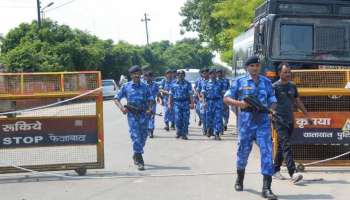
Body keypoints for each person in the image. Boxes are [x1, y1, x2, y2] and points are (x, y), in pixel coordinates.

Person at [224, 55, 278, 200]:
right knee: (243, 152)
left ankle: (267, 188)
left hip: (262, 122)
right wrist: (240, 104)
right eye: (252, 66)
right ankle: (239, 178)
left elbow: (272, 99)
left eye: (257, 66)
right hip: (246, 123)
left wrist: (272, 110)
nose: (255, 68)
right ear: (247, 67)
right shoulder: (239, 81)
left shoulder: (266, 82)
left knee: (267, 152)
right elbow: (226, 98)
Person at [272, 62, 312, 183]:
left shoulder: (292, 86)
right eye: (285, 72)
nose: (288, 74)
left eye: (289, 72)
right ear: (279, 73)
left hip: (290, 120)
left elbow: (297, 101)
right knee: (287, 145)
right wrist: (271, 114)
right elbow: (270, 103)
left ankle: (275, 170)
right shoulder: (274, 87)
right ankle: (293, 173)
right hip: (279, 120)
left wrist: (307, 116)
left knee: (282, 146)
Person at [114, 65, 153, 171]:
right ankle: (140, 160)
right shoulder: (126, 86)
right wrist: (122, 108)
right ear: (131, 75)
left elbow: (150, 99)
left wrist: (149, 108)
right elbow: (116, 98)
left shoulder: (145, 86)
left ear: (140, 74)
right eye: (134, 74)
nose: (136, 75)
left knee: (143, 137)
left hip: (143, 115)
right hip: (132, 116)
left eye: (138, 73)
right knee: (135, 136)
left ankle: (136, 153)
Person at [169, 70, 194, 140]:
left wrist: (192, 103)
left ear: (184, 75)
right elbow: (171, 95)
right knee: (177, 119)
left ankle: (184, 134)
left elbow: (190, 94)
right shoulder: (173, 83)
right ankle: (178, 132)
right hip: (177, 103)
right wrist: (169, 104)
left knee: (185, 119)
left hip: (185, 103)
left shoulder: (188, 84)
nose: (180, 75)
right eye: (179, 74)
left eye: (182, 74)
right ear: (176, 75)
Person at [201, 68, 225, 140]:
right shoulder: (206, 83)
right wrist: (203, 102)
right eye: (212, 73)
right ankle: (209, 129)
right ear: (209, 75)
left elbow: (223, 93)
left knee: (218, 118)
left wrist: (224, 102)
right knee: (209, 117)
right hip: (209, 102)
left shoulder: (220, 83)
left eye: (215, 73)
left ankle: (217, 133)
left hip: (218, 102)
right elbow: (203, 93)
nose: (214, 75)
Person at [143, 71, 160, 138]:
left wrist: (158, 98)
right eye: (146, 76)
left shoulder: (155, 85)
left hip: (152, 103)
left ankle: (151, 131)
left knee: (151, 117)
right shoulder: (142, 84)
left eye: (149, 76)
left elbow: (158, 92)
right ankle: (146, 130)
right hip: (144, 104)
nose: (148, 77)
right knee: (145, 117)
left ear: (152, 77)